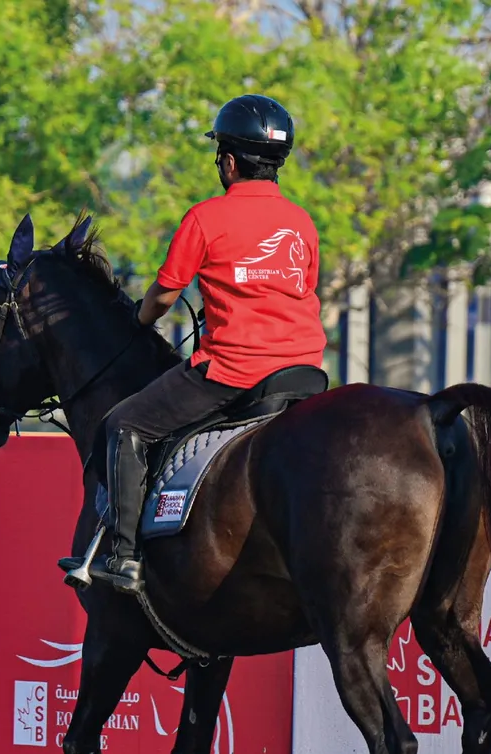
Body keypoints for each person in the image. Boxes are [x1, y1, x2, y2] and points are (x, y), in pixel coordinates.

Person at [85, 94, 326, 594]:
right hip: (305, 371)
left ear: (230, 162)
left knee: (124, 424)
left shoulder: (205, 218)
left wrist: (139, 315)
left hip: (234, 372)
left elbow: (164, 297)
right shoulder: (301, 222)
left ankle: (124, 557)